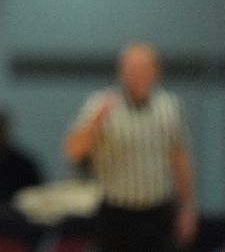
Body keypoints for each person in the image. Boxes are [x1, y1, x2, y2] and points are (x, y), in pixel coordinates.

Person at [64, 43, 197, 252]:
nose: (138, 75)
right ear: (121, 72)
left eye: (144, 69)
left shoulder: (169, 106)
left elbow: (179, 159)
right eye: (132, 69)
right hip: (116, 212)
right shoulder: (100, 104)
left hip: (158, 211)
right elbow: (73, 151)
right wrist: (95, 123)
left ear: (156, 71)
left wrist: (187, 207)